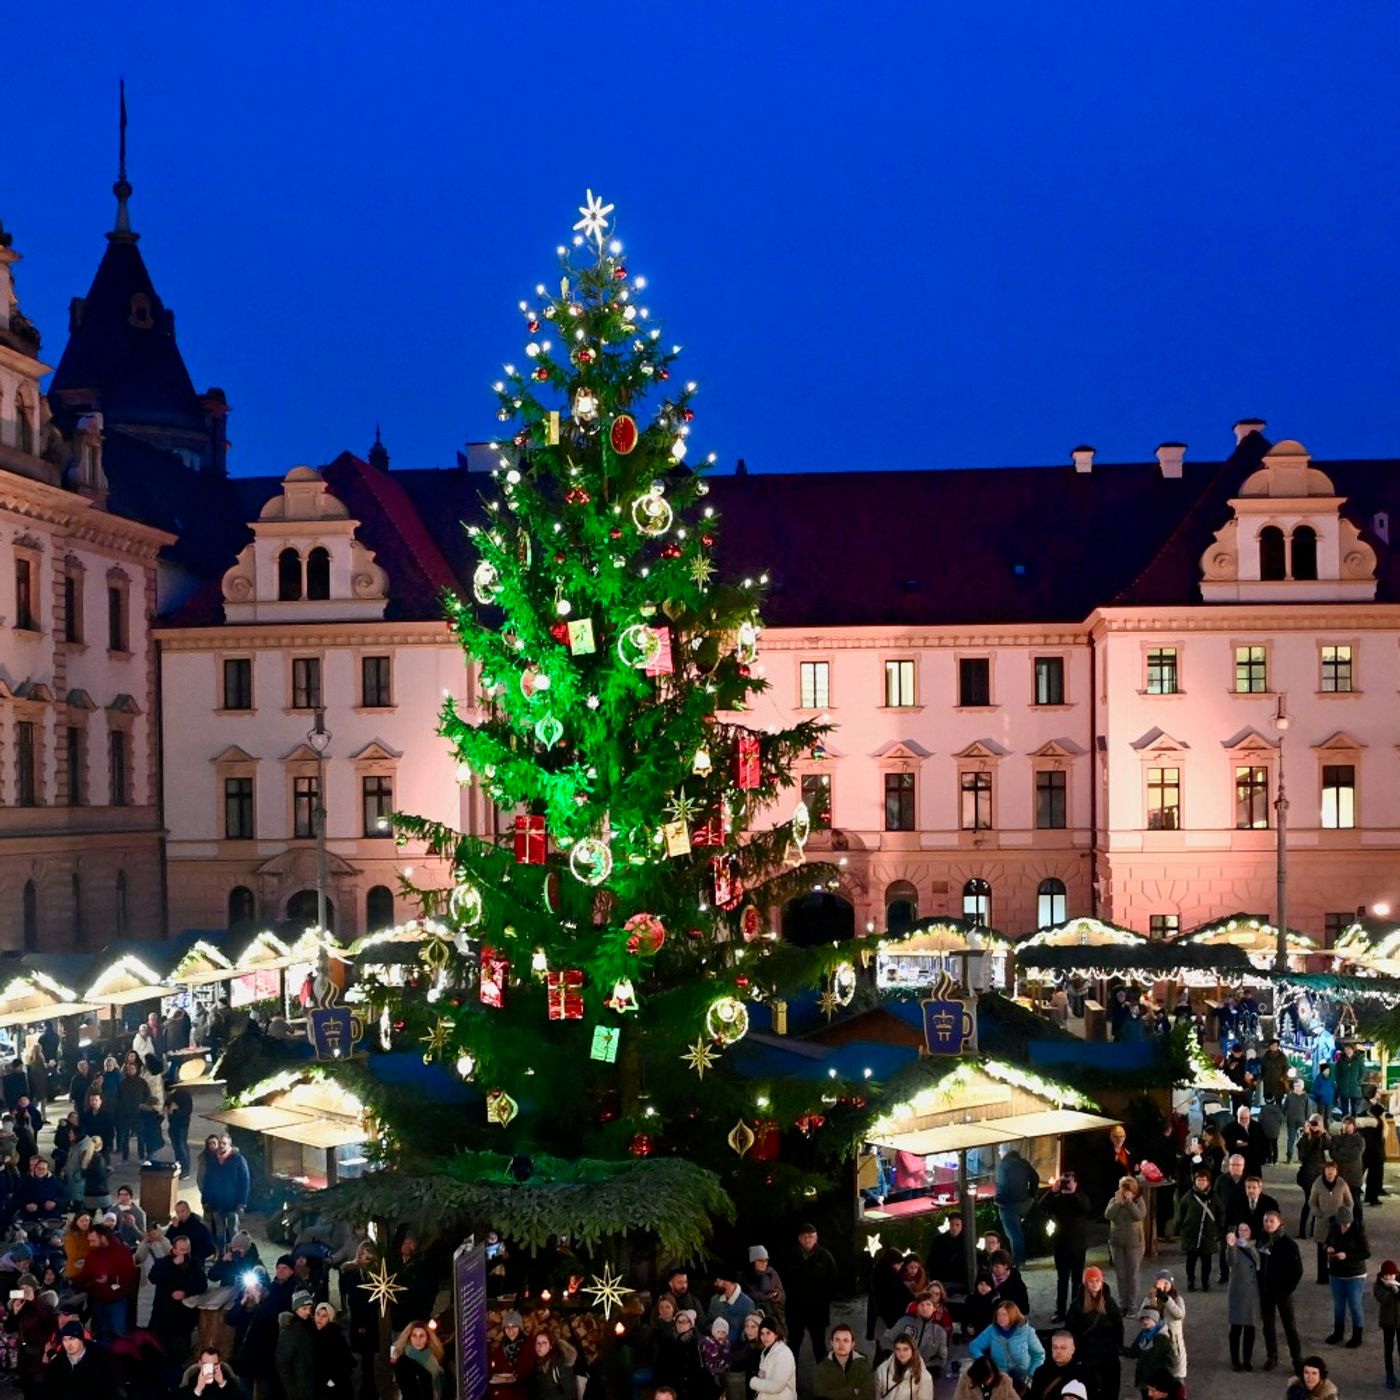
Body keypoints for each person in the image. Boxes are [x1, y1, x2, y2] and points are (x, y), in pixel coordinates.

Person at [1256, 1207, 1303, 1375]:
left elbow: (1297, 1270)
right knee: (1268, 1326)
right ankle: (1272, 1356)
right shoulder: (1261, 1241)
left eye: (1271, 1221)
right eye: (1266, 1221)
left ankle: (1297, 1360)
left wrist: (1287, 1289)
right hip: (1266, 1292)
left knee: (1289, 1326)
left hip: (1283, 1292)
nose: (1268, 1224)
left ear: (1279, 1223)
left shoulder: (1289, 1245)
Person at [1041, 1172, 1093, 1322]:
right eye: (1063, 1182)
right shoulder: (1057, 1199)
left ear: (1076, 1183)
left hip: (1078, 1246)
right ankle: (1060, 1312)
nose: (1066, 1185)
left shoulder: (1080, 1197)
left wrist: (1073, 1193)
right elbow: (1041, 1207)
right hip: (1061, 1245)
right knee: (1062, 1280)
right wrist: (1052, 1191)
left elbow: (1087, 1208)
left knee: (1077, 1280)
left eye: (1068, 1182)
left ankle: (1076, 1311)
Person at [149, 1230, 208, 1361]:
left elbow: (202, 1284)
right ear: (174, 1250)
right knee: (160, 1351)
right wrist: (173, 1264)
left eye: (187, 1249)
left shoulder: (194, 1263)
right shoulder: (163, 1262)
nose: (185, 1253)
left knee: (181, 1352)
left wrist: (185, 1292)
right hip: (163, 1315)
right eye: (181, 1250)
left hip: (183, 1317)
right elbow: (153, 1277)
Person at [1066, 1266, 1122, 1400]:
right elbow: (1071, 1330)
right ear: (1086, 1283)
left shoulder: (1110, 1303)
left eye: (1098, 1280)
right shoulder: (1077, 1305)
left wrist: (1115, 1348)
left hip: (1107, 1354)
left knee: (1110, 1389)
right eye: (1091, 1280)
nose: (1095, 1283)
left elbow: (1119, 1328)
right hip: (1087, 1355)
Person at [785, 1225, 837, 1367]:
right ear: (799, 1239)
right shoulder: (791, 1256)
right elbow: (784, 1280)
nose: (808, 1240)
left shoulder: (825, 1256)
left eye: (811, 1236)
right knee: (793, 1345)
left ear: (816, 1238)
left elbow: (834, 1281)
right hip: (796, 1309)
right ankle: (789, 1378)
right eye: (804, 1237)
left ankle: (823, 1377)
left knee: (819, 1345)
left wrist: (824, 1298)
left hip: (817, 1309)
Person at [968, 1301, 1044, 1391]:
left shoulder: (1027, 1332)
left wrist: (1031, 1374)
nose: (1000, 1318)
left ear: (1013, 1315)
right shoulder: (992, 1330)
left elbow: (1039, 1355)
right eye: (998, 1315)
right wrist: (986, 1363)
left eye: (1005, 1315)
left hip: (1022, 1375)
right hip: (999, 1374)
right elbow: (974, 1346)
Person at [1324, 1204, 1369, 1347]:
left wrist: (1347, 1255)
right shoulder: (1334, 1227)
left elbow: (1366, 1253)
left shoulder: (1358, 1231)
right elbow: (1326, 1242)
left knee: (1355, 1304)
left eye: (1346, 1224)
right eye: (1341, 1224)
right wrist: (1328, 1247)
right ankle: (1338, 1332)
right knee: (1339, 1305)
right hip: (1336, 1273)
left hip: (1355, 1274)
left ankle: (1357, 1335)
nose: (1344, 1227)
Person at [83, 1222, 137, 1339]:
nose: (91, 1244)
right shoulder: (92, 1254)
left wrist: (111, 1280)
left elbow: (130, 1276)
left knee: (119, 1336)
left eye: (93, 1240)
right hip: (98, 1302)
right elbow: (85, 1275)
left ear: (103, 1238)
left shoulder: (121, 1252)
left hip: (117, 1302)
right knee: (99, 1337)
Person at [201, 1134, 251, 1251]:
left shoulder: (238, 1159)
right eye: (220, 1143)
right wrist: (206, 1200)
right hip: (217, 1204)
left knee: (233, 1231)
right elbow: (207, 1181)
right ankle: (221, 1254)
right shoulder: (213, 1160)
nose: (221, 1146)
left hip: (232, 1204)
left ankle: (236, 1253)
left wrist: (241, 1202)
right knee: (219, 1233)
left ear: (229, 1145)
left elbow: (244, 1181)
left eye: (224, 1143)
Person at [44, 1320, 116, 1400]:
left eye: (72, 1338)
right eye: (65, 1339)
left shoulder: (99, 1359)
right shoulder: (58, 1362)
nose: (68, 1343)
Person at [1174, 1166, 1219, 1292]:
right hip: (1191, 1233)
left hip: (1208, 1234)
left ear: (1208, 1182)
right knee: (1191, 1260)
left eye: (1204, 1180)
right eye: (1199, 1180)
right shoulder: (1188, 1197)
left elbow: (1221, 1212)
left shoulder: (1213, 1197)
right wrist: (1181, 1227)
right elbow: (1180, 1212)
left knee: (1206, 1261)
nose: (1201, 1183)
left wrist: (1217, 1228)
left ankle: (1205, 1281)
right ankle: (1191, 1281)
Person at [1105, 1176, 1146, 1316]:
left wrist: (1129, 1203)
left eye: (1128, 1189)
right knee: (1121, 1275)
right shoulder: (1113, 1201)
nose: (1125, 1191)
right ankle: (1122, 1304)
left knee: (1132, 1274)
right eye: (1123, 1188)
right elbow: (1108, 1215)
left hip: (1134, 1244)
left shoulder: (1139, 1202)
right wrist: (1117, 1203)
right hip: (1117, 1243)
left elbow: (1139, 1216)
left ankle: (1132, 1305)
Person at [879, 1292, 947, 1375]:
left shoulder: (940, 1331)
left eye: (928, 1304)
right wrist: (897, 1357)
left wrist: (923, 1365)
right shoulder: (905, 1321)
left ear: (934, 1308)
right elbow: (885, 1339)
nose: (925, 1308)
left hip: (923, 1373)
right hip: (898, 1369)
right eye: (921, 1304)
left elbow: (942, 1359)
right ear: (917, 1307)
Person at [993, 1145, 1039, 1269]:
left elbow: (1003, 1185)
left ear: (1005, 1152)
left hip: (1008, 1204)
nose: (998, 1153)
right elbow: (1035, 1177)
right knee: (1018, 1233)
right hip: (1023, 1203)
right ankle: (1021, 1260)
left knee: (1014, 1235)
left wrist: (998, 1199)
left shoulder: (1004, 1165)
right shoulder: (1023, 1163)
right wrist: (1031, 1195)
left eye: (1000, 1150)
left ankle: (1018, 1262)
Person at [1309, 1160, 1354, 1284]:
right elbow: (1312, 1202)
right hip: (1322, 1222)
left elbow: (1349, 1202)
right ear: (1324, 1171)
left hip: (1337, 1223)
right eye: (1328, 1170)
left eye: (1332, 1170)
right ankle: (1322, 1276)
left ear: (1336, 1172)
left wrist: (1345, 1216)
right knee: (1322, 1250)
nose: (1330, 1173)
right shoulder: (1317, 1184)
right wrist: (1318, 1213)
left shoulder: (1342, 1184)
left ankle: (1337, 1275)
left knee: (1337, 1249)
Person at [1226, 1221, 1262, 1371]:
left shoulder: (1256, 1247)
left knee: (1250, 1329)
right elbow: (1231, 1261)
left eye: (1246, 1230)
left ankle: (1247, 1360)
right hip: (1238, 1293)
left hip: (1253, 1294)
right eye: (1240, 1230)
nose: (1243, 1232)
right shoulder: (1234, 1247)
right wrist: (1231, 1245)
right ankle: (1235, 1360)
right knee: (1236, 1329)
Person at [1141, 1270, 1186, 1382]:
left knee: (1177, 1378)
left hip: (1173, 1344)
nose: (1164, 1286)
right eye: (1161, 1283)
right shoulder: (1151, 1298)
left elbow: (1179, 1314)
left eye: (1166, 1283)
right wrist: (1150, 1301)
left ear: (1171, 1284)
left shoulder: (1177, 1299)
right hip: (1156, 1343)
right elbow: (1141, 1315)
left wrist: (1166, 1298)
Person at [657, 1308, 709, 1400]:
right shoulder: (668, 1342)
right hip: (673, 1389)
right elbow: (661, 1366)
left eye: (684, 1321)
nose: (681, 1324)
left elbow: (704, 1370)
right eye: (679, 1322)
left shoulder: (699, 1342)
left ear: (691, 1324)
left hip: (695, 1389)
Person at [812, 1323, 874, 1400]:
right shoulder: (821, 1369)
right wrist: (852, 1391)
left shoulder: (864, 1366)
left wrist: (834, 1394)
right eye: (837, 1340)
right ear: (832, 1343)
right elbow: (820, 1395)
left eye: (845, 1340)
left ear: (852, 1344)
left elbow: (869, 1395)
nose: (841, 1344)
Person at [276, 1291, 318, 1400]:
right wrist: (292, 1392)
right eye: (304, 1309)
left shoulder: (311, 1327)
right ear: (295, 1309)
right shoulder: (290, 1331)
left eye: (310, 1308)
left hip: (311, 1384)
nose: (308, 1312)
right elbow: (283, 1364)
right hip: (300, 1388)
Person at [1297, 1119, 1334, 1239]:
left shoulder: (1323, 1137)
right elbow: (1302, 1155)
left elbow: (1329, 1149)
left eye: (1316, 1124)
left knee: (1319, 1202)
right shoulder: (1304, 1136)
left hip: (1319, 1175)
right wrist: (1307, 1135)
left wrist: (1323, 1133)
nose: (1314, 1127)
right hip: (1308, 1175)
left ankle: (1314, 1229)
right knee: (1308, 1202)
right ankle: (1302, 1230)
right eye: (1311, 1124)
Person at [1026, 1331, 1089, 1400]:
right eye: (1055, 1347)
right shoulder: (1041, 1372)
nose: (1058, 1351)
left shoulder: (1083, 1374)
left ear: (1073, 1349)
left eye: (1063, 1348)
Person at [392, 1321, 445, 1400]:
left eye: (422, 1336)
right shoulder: (403, 1362)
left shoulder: (434, 1358)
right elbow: (408, 1392)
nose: (418, 1340)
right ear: (409, 1338)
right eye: (414, 1336)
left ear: (427, 1338)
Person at [312, 1301, 354, 1400]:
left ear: (330, 1319)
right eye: (318, 1314)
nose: (320, 1318)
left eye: (324, 1316)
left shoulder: (335, 1337)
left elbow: (344, 1363)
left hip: (335, 1389)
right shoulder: (315, 1335)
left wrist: (331, 1383)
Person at [488, 1311, 533, 1400]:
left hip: (522, 1393)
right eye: (507, 1327)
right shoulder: (500, 1348)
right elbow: (494, 1371)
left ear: (520, 1328)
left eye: (514, 1327)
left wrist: (517, 1377)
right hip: (503, 1394)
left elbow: (530, 1371)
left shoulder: (529, 1345)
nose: (510, 1331)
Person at [748, 1316, 795, 1400]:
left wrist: (753, 1382)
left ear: (776, 1334)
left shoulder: (783, 1354)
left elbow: (777, 1386)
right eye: (762, 1334)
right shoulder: (766, 1352)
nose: (764, 1337)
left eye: (768, 1333)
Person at [1131, 1307, 1175, 1392]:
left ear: (1155, 1319)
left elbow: (1153, 1359)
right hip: (1146, 1380)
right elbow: (1134, 1352)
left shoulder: (1161, 1338)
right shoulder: (1144, 1334)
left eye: (1147, 1318)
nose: (1144, 1321)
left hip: (1156, 1381)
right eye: (1142, 1318)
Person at [871, 1335, 929, 1400]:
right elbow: (877, 1395)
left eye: (905, 1349)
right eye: (898, 1349)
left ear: (913, 1350)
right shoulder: (882, 1370)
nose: (901, 1353)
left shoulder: (924, 1376)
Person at [926, 1215, 968, 1298]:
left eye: (957, 1225)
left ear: (962, 1226)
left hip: (960, 1283)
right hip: (942, 1281)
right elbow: (932, 1261)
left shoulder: (966, 1241)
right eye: (952, 1224)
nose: (954, 1228)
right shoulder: (939, 1240)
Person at [1223, 1105, 1269, 1178]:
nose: (1244, 1120)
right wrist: (1234, 1144)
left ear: (1250, 1117)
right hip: (1238, 1164)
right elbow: (1223, 1143)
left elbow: (1264, 1142)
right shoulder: (1230, 1128)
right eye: (1241, 1118)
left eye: (1246, 1118)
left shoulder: (1257, 1127)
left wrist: (1263, 1158)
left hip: (1254, 1162)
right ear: (1237, 1116)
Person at [1375, 1258, 1400, 1388]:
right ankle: (1389, 1375)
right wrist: (1390, 1290)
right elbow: (1380, 1297)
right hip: (1387, 1322)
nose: (1389, 1277)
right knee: (1388, 1349)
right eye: (1387, 1275)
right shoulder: (1379, 1284)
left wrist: (1396, 1289)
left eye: (1392, 1274)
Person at [709, 1269, 757, 1338]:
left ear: (728, 1281)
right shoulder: (714, 1300)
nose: (715, 1284)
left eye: (718, 1281)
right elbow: (708, 1323)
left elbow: (749, 1334)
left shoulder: (747, 1305)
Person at [746, 1247, 785, 1330]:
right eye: (760, 1260)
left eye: (766, 1260)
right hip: (752, 1318)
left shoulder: (771, 1274)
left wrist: (777, 1295)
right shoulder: (744, 1277)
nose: (764, 1263)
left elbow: (782, 1295)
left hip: (773, 1317)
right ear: (753, 1261)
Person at [951, 1356, 1017, 1400]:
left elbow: (1014, 1398)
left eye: (991, 1377)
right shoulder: (966, 1381)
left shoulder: (1004, 1381)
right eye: (985, 1378)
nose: (989, 1381)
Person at [166, 1085, 194, 1176]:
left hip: (181, 1124)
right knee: (177, 1147)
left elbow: (187, 1110)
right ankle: (180, 1167)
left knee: (181, 1147)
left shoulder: (183, 1095)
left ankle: (185, 1170)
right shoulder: (171, 1096)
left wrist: (175, 1111)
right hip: (174, 1124)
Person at [1284, 1081, 1312, 1164]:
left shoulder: (1305, 1096)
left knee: (1301, 1140)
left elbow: (1308, 1110)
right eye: (1295, 1086)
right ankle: (1289, 1157)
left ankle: (1301, 1157)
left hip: (1301, 1122)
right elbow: (1284, 1108)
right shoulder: (1289, 1096)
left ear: (1302, 1087)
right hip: (1291, 1121)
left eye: (1299, 1086)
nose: (1297, 1088)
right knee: (1291, 1139)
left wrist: (1308, 1121)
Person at [1336, 1044, 1365, 1117]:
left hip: (1354, 1088)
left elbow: (1363, 1073)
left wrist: (1358, 1083)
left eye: (1349, 1049)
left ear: (1353, 1050)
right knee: (1344, 1110)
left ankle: (1354, 1125)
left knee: (1354, 1110)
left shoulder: (1358, 1060)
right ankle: (1344, 1125)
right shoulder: (1341, 1060)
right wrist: (1340, 1083)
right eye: (1346, 1049)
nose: (1348, 1051)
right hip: (1344, 1088)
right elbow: (1337, 1073)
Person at [1312, 1065, 1337, 1130]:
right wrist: (1321, 1095)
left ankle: (1327, 1130)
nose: (1327, 1071)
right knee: (1320, 1117)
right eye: (1326, 1070)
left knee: (1328, 1117)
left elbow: (1333, 1088)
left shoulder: (1330, 1079)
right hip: (1321, 1101)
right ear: (1322, 1071)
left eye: (1328, 1070)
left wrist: (1332, 1097)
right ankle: (1320, 1130)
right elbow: (1314, 1090)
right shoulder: (1318, 1079)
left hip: (1329, 1102)